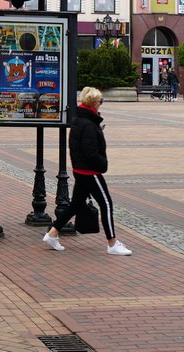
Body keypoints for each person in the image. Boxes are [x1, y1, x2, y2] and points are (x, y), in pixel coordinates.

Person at [42, 86, 131, 256]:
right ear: (94, 103)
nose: (101, 105)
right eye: (100, 102)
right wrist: (102, 164)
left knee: (76, 204)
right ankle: (112, 243)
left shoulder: (79, 119)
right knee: (106, 204)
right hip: (90, 172)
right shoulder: (89, 124)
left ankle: (53, 233)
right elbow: (90, 152)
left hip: (80, 170)